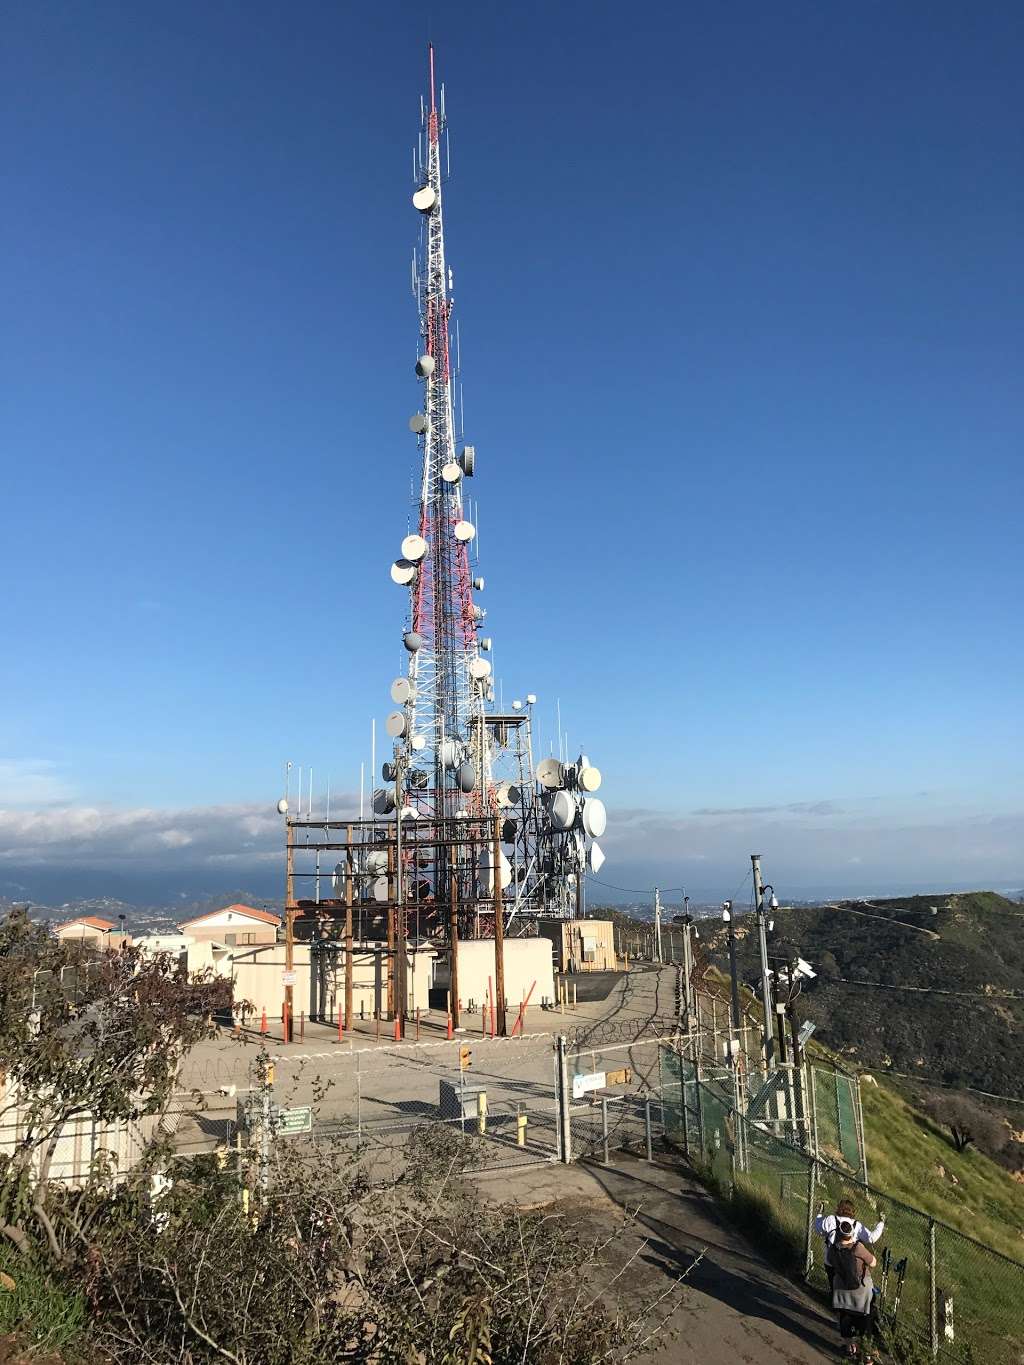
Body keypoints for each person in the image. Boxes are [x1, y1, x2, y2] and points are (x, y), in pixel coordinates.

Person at [831, 1214, 877, 1360]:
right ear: (852, 1233)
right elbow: (873, 1262)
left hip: (841, 1290)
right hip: (860, 1291)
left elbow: (831, 1263)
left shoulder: (833, 1249)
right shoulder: (858, 1248)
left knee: (845, 1318)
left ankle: (850, 1348)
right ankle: (868, 1357)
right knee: (865, 1322)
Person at [815, 1199, 885, 1294]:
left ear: (839, 1209)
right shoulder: (856, 1225)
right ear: (853, 1212)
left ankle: (834, 1300)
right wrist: (881, 1223)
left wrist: (819, 1214)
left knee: (834, 1285)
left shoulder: (831, 1220)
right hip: (848, 1264)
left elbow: (819, 1229)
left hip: (831, 1261)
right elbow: (871, 1238)